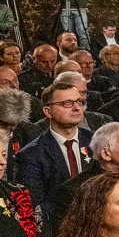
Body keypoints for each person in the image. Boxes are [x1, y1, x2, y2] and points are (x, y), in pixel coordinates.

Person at [17, 83, 95, 220]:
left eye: (79, 101)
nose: (77, 108)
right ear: (48, 111)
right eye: (67, 103)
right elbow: (38, 206)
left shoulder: (96, 142)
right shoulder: (31, 155)